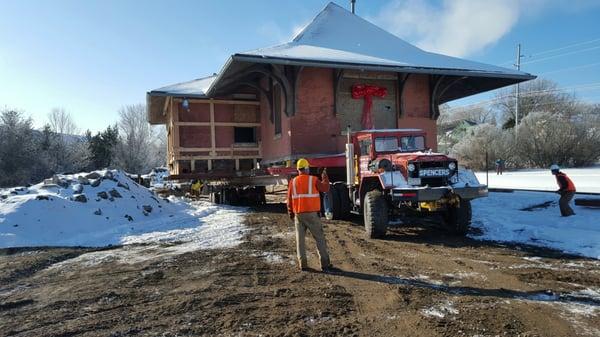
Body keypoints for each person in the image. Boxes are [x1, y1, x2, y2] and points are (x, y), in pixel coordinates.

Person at [287, 158, 332, 271]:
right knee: (319, 238)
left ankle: (303, 264)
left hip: (299, 214)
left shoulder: (293, 182)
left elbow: (289, 200)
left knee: (300, 240)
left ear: (298, 170)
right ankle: (325, 264)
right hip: (312, 214)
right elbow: (326, 188)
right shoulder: (313, 180)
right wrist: (324, 176)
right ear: (306, 169)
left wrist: (291, 212)